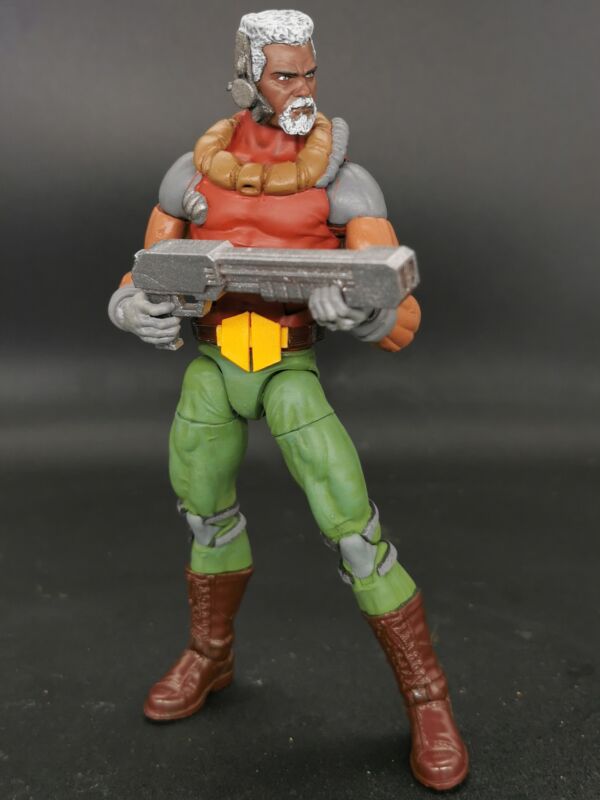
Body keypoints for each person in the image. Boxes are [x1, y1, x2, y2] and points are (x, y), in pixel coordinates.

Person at [108, 10, 468, 791]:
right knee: (204, 514)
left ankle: (428, 699)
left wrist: (363, 314)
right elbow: (143, 272)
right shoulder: (190, 176)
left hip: (287, 368)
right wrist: (130, 307)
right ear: (245, 79)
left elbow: (401, 310)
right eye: (283, 75)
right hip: (212, 365)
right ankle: (210, 655)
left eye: (308, 73)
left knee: (355, 532)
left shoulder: (344, 184)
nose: (301, 88)